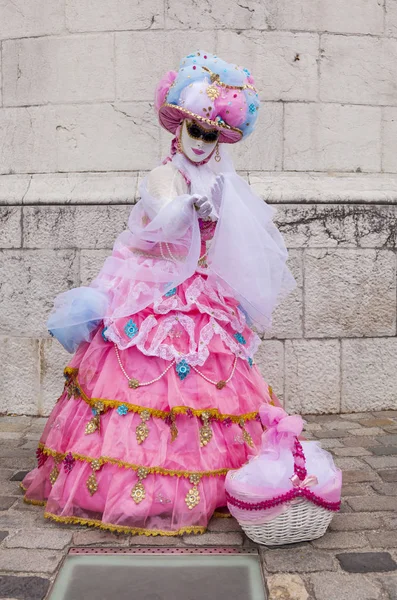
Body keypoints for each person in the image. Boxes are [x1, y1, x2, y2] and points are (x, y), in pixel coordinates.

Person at [21, 51, 296, 536]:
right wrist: (187, 206)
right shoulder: (163, 176)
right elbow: (161, 221)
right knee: (143, 380)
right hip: (152, 291)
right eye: (195, 130)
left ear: (221, 139)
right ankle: (129, 483)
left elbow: (241, 240)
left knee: (204, 387)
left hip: (203, 296)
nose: (201, 141)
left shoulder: (223, 182)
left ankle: (210, 480)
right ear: (178, 129)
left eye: (211, 134)